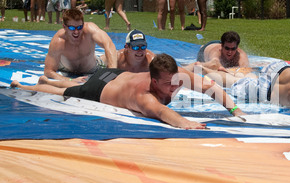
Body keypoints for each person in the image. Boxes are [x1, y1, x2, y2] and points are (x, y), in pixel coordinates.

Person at [11, 53, 245, 130]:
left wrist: (233, 109)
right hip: (100, 88)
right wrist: (188, 124)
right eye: (167, 84)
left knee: (69, 85)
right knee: (66, 91)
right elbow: (163, 113)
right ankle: (29, 86)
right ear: (153, 81)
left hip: (116, 75)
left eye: (176, 82)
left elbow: (210, 87)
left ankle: (55, 80)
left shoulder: (176, 75)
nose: (174, 87)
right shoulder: (144, 97)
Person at [43, 9, 117, 83]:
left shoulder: (90, 30)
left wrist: (112, 73)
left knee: (119, 55)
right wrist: (71, 80)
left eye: (79, 27)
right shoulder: (58, 41)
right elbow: (48, 71)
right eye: (72, 28)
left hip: (92, 68)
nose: (76, 32)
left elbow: (109, 45)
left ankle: (103, 58)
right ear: (64, 27)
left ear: (83, 24)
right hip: (66, 69)